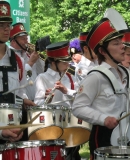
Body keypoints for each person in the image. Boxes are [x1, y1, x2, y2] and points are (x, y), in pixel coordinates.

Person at [72, 18, 130, 160]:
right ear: (103, 51)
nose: (122, 46)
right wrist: (103, 119)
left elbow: (123, 110)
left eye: (121, 42)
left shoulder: (125, 73)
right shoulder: (96, 77)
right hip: (104, 137)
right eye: (116, 44)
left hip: (127, 134)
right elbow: (78, 107)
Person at [34, 41, 80, 160]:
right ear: (53, 62)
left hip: (70, 126)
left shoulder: (71, 77)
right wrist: (46, 98)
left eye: (67, 60)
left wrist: (66, 91)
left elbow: (80, 100)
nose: (67, 64)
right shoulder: (42, 78)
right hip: (51, 128)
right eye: (64, 61)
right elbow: (37, 105)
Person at [0, 1, 34, 142]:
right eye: (1, 26)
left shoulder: (18, 60)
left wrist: (24, 100)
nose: (7, 29)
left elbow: (18, 93)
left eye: (8, 25)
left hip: (13, 132)